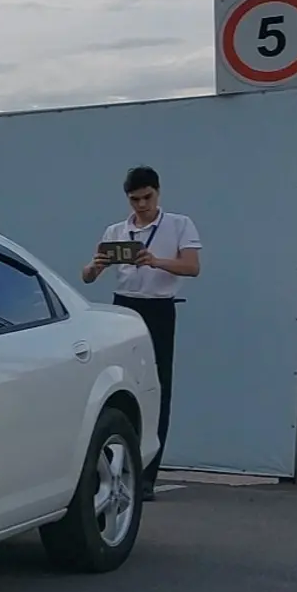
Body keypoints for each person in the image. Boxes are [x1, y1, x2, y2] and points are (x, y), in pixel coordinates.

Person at [81, 166, 200, 500]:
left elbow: (192, 267)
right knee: (119, 384)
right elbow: (87, 276)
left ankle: (148, 473)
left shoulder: (179, 224)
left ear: (158, 193)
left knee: (158, 386)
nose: (141, 205)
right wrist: (96, 266)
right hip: (124, 307)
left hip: (159, 308)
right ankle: (118, 464)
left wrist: (155, 261)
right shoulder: (116, 230)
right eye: (135, 200)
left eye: (147, 198)